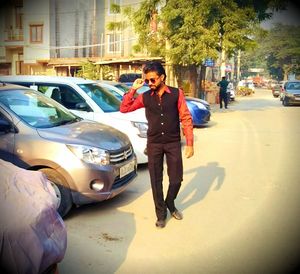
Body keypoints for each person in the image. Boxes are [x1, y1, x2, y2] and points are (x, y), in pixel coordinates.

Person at [120, 61, 194, 228]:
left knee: (176, 179)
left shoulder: (176, 94)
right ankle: (160, 214)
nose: (150, 83)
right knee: (156, 180)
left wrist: (190, 142)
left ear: (162, 77)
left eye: (153, 80)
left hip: (173, 142)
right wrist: (133, 90)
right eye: (147, 81)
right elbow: (124, 108)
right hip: (154, 143)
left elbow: (185, 117)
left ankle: (170, 203)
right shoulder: (145, 97)